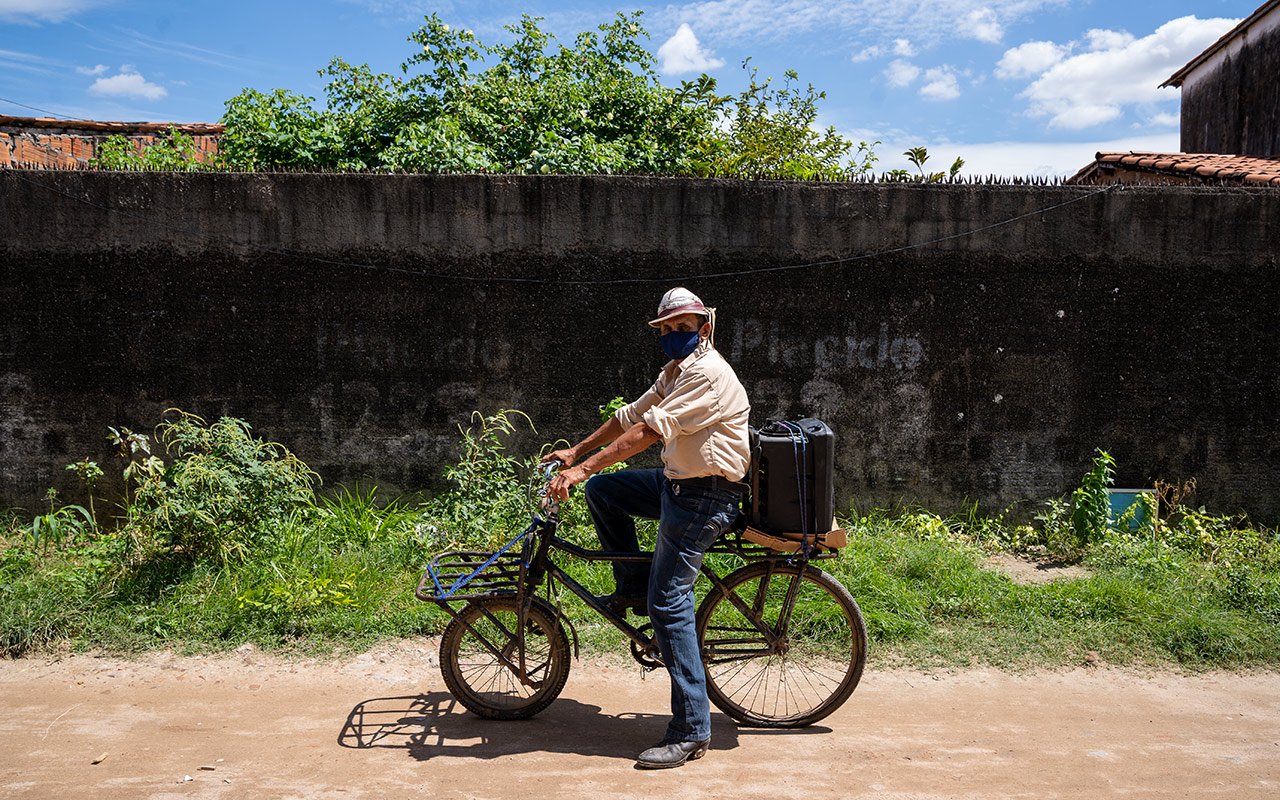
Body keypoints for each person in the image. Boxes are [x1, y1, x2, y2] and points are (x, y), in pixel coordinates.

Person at [544, 287, 751, 769]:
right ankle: (633, 586)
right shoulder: (675, 372)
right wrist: (576, 453)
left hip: (707, 493)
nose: (676, 335)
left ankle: (691, 730)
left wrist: (583, 469)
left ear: (704, 327)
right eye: (667, 329)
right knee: (606, 493)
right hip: (678, 481)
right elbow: (628, 417)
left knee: (670, 601)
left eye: (685, 327)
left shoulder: (706, 373)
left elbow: (650, 432)